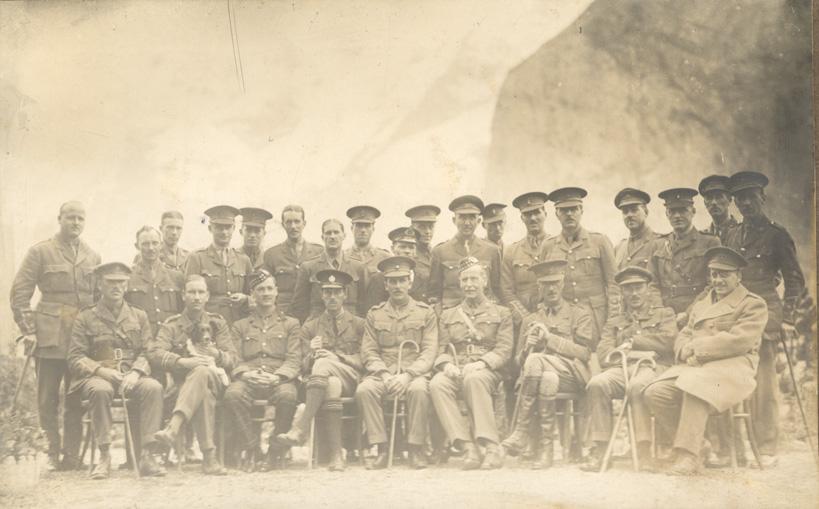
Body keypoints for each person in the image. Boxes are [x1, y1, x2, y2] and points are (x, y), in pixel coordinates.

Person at [644, 247, 768, 475]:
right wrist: (683, 349)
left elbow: (739, 341)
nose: (717, 280)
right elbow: (684, 334)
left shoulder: (753, 304)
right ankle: (698, 444)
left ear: (738, 276)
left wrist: (696, 348)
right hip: (695, 366)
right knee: (655, 392)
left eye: (724, 274)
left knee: (695, 386)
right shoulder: (702, 305)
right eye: (713, 274)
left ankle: (688, 455)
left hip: (734, 368)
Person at [9, 201, 101, 471]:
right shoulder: (40, 251)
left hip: (80, 340)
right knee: (47, 397)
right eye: (71, 217)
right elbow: (19, 294)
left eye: (80, 218)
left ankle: (72, 455)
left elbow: (96, 298)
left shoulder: (92, 256)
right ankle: (51, 450)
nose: (76, 223)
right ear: (59, 218)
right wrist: (28, 330)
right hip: (49, 337)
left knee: (76, 396)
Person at [724, 171, 805, 467]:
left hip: (767, 312)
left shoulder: (777, 234)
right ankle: (739, 444)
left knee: (764, 380)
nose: (746, 203)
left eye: (751, 196)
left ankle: (767, 445)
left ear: (762, 198)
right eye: (740, 198)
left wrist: (788, 317)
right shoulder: (732, 235)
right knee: (735, 375)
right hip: (737, 313)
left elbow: (796, 281)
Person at [67, 262, 165, 479]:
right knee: (100, 390)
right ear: (100, 285)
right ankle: (104, 455)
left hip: (130, 375)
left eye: (121, 282)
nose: (116, 287)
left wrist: (136, 372)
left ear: (127, 284)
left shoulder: (138, 316)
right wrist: (102, 371)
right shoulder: (86, 317)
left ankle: (148, 454)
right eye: (111, 282)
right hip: (99, 376)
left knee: (153, 388)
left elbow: (149, 351)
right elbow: (75, 357)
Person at [581, 266, 677, 471]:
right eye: (628, 289)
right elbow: (605, 352)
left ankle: (643, 450)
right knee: (597, 383)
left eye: (638, 288)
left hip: (655, 369)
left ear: (648, 289)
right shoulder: (615, 321)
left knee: (637, 386)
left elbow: (670, 342)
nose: (634, 294)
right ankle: (600, 449)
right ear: (622, 293)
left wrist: (634, 342)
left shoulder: (664, 314)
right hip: (622, 368)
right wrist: (638, 354)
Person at [501, 259, 593, 469]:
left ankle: (521, 431)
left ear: (562, 284)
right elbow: (518, 364)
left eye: (555, 283)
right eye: (545, 284)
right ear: (539, 287)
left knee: (537, 361)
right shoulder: (530, 319)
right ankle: (547, 450)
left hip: (572, 376)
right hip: (543, 379)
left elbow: (584, 353)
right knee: (547, 378)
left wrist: (549, 339)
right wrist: (527, 348)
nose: (551, 289)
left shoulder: (579, 314)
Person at [276, 270, 365, 471]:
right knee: (330, 384)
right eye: (327, 293)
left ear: (345, 295)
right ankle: (336, 456)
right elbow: (301, 366)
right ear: (321, 295)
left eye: (336, 292)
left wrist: (338, 358)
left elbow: (365, 359)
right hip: (324, 383)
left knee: (324, 364)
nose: (332, 297)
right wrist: (311, 352)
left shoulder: (359, 324)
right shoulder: (311, 326)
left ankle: (300, 428)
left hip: (351, 378)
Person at [429, 257, 513, 470]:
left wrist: (482, 363)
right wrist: (446, 364)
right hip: (457, 368)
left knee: (474, 379)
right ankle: (467, 447)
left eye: (474, 279)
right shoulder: (448, 315)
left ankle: (492, 447)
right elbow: (442, 348)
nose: (469, 284)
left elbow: (504, 349)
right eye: (465, 279)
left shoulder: (501, 313)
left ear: (484, 280)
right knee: (437, 384)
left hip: (487, 372)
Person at [149, 275, 238, 475]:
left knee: (202, 371)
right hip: (182, 387)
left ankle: (174, 427)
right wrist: (181, 362)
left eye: (200, 292)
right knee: (202, 393)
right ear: (183, 295)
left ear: (207, 296)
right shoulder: (172, 325)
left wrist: (216, 353)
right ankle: (209, 457)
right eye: (191, 292)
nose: (196, 297)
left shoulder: (217, 323)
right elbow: (155, 353)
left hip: (216, 382)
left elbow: (233, 358)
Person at [355, 256, 438, 469]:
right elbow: (369, 351)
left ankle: (415, 449)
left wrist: (408, 375)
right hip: (384, 372)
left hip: (414, 373)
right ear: (385, 284)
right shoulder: (375, 314)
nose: (397, 286)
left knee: (419, 390)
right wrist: (383, 374)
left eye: (402, 280)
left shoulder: (425, 312)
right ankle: (381, 447)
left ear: (410, 283)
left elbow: (429, 352)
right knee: (365, 390)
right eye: (392, 281)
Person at [223, 270, 302, 471]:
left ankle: (275, 450)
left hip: (279, 378)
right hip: (249, 377)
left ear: (276, 292)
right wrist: (245, 373)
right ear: (253, 294)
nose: (265, 293)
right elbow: (234, 357)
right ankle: (252, 449)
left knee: (288, 396)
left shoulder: (291, 324)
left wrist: (277, 377)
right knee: (232, 394)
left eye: (269, 288)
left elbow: (294, 359)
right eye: (260, 289)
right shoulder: (240, 326)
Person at [540, 187, 615, 343]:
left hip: (596, 318)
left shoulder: (599, 241)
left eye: (573, 209)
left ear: (581, 210)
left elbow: (614, 285)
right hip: (565, 320)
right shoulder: (548, 246)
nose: (569, 214)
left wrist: (612, 320)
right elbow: (544, 287)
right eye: (564, 210)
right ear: (556, 214)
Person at [648, 188, 720, 325]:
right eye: (672, 211)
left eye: (682, 210)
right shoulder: (658, 244)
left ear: (693, 212)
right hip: (664, 314)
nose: (677, 216)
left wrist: (689, 313)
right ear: (667, 214)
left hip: (698, 314)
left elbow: (713, 284)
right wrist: (659, 310)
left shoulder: (709, 242)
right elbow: (652, 284)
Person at [429, 195, 502, 311]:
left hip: (484, 316)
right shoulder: (440, 251)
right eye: (462, 217)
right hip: (451, 317)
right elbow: (434, 294)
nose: (467, 223)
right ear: (454, 220)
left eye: (472, 217)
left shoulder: (491, 251)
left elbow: (497, 290)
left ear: (478, 221)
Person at [185, 205, 254, 324]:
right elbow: (188, 297)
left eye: (228, 227)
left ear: (233, 228)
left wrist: (245, 298)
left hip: (238, 324)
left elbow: (253, 295)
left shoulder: (243, 260)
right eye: (219, 227)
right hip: (208, 324)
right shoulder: (197, 258)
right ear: (210, 228)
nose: (224, 232)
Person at [290, 219, 368, 322]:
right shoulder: (309, 267)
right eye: (328, 233)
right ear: (323, 237)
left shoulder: (358, 267)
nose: (332, 236)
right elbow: (299, 304)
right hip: (319, 325)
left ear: (343, 236)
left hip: (350, 326)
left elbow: (364, 303)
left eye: (336, 232)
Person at [262, 205, 324, 315]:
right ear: (283, 225)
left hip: (311, 314)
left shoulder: (319, 252)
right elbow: (267, 288)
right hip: (283, 315)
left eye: (297, 221)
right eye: (289, 222)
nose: (293, 226)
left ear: (304, 224)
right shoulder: (271, 254)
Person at [500, 192, 550, 327]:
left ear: (545, 214)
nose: (533, 218)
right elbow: (507, 291)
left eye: (536, 212)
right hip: (522, 322)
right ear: (522, 217)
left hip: (553, 320)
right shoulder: (511, 251)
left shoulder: (556, 246)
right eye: (527, 214)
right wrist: (525, 318)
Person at [126, 226, 184, 336]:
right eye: (145, 244)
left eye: (155, 243)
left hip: (171, 340)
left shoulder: (176, 277)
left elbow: (183, 313)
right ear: (137, 246)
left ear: (161, 245)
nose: (151, 248)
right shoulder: (128, 277)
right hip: (141, 340)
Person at [365, 226, 427, 309]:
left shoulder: (424, 278)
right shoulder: (378, 279)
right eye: (402, 247)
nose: (407, 251)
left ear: (415, 251)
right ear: (393, 249)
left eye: (411, 248)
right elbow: (371, 310)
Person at [613, 188, 658, 271]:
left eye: (634, 210)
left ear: (646, 212)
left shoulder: (659, 243)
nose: (629, 215)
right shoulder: (618, 248)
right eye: (625, 212)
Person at [405, 204, 441, 303]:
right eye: (422, 227)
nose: (428, 231)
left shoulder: (436, 253)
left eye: (431, 227)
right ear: (412, 228)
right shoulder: (407, 255)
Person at [344, 205, 391, 272]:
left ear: (373, 229)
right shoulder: (343, 257)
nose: (363, 230)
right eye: (359, 225)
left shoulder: (385, 258)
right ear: (352, 228)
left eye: (367, 226)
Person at [698, 175, 738, 243]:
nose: (714, 202)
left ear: (729, 200)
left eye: (719, 197)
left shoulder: (740, 233)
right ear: (705, 203)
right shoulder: (702, 237)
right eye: (709, 198)